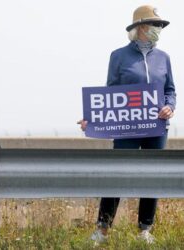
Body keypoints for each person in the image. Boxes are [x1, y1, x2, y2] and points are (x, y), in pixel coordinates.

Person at [78, 5, 176, 244]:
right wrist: (94, 119)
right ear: (141, 27)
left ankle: (144, 230)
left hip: (156, 128)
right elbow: (110, 95)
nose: (158, 29)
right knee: (117, 172)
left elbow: (170, 90)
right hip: (127, 128)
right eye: (155, 25)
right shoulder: (118, 56)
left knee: (153, 176)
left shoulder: (164, 58)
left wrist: (170, 107)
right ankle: (102, 229)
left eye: (160, 26)